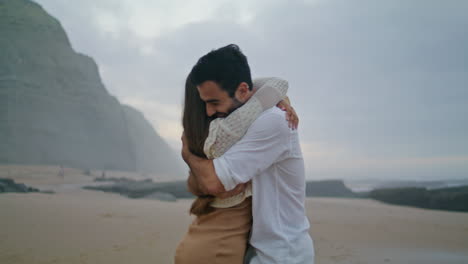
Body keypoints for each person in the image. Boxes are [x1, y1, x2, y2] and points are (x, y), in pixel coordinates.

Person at [181, 44, 314, 263]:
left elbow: (214, 183)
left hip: (283, 255)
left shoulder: (273, 121)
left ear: (243, 91)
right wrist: (277, 95)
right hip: (259, 249)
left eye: (214, 102)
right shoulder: (249, 119)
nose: (209, 112)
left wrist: (188, 154)